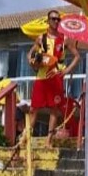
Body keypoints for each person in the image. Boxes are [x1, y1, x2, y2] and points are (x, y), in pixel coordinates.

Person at [27, 10, 79, 140]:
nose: (56, 21)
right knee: (33, 108)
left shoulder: (64, 39)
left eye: (58, 19)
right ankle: (26, 138)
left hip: (56, 77)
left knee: (54, 109)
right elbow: (29, 55)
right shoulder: (41, 38)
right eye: (53, 19)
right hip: (41, 76)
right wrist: (33, 63)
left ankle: (48, 141)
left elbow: (77, 56)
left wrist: (67, 70)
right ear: (48, 20)